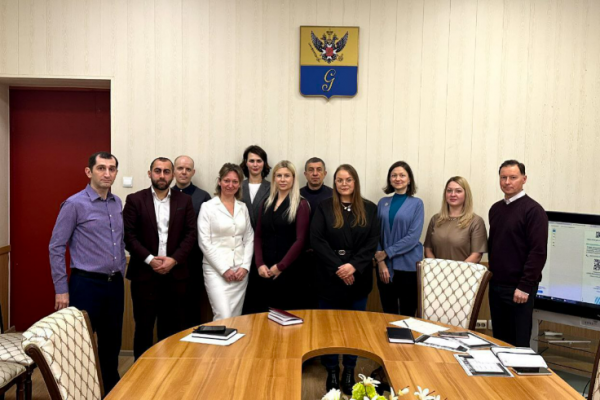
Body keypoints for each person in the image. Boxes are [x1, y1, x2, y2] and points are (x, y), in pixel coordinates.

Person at [49, 151, 125, 393]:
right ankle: (78, 393)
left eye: (112, 169)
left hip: (115, 285)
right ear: (89, 171)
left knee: (111, 344)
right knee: (79, 346)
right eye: (101, 168)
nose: (107, 173)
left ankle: (110, 392)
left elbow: (119, 242)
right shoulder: (74, 204)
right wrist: (61, 289)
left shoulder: (117, 203)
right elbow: (56, 247)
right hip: (86, 285)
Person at [311, 164, 380, 395]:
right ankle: (331, 369)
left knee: (354, 328)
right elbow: (317, 240)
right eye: (339, 180)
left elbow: (372, 242)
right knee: (329, 327)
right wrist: (339, 268)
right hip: (329, 276)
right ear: (335, 183)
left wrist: (353, 267)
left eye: (348, 179)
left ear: (355, 182)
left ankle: (349, 370)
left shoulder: (369, 208)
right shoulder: (324, 207)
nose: (344, 184)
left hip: (358, 276)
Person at [123, 157, 197, 360]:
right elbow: (128, 235)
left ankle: (170, 372)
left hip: (176, 275)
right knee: (144, 327)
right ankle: (141, 372)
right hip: (144, 275)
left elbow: (191, 234)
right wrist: (149, 259)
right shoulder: (135, 200)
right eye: (157, 171)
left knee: (172, 328)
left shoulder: (184, 201)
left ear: (172, 175)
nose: (162, 175)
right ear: (150, 174)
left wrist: (174, 260)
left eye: (166, 171)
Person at [488, 160, 548, 347]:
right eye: (503, 177)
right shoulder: (495, 209)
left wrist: (524, 286)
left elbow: (538, 252)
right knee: (499, 340)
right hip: (496, 286)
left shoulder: (534, 211)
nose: (507, 182)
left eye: (513, 177)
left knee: (518, 342)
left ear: (524, 179)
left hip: (519, 289)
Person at [198, 163, 254, 320]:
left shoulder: (242, 207)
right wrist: (224, 269)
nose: (230, 185)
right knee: (223, 315)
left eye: (235, 181)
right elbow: (204, 242)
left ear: (240, 184)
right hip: (216, 271)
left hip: (240, 272)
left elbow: (249, 237)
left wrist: (245, 267)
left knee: (235, 317)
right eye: (226, 180)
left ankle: (233, 339)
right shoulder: (208, 207)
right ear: (219, 181)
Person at [254, 161, 310, 311]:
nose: (283, 179)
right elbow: (258, 236)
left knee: (287, 315)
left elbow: (301, 240)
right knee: (265, 315)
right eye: (279, 176)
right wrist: (259, 264)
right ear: (274, 178)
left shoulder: (301, 204)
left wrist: (280, 267)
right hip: (265, 270)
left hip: (290, 270)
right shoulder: (266, 203)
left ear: (293, 178)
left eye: (287, 175)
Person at [375, 161, 424, 317]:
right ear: (390, 179)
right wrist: (381, 262)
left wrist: (387, 253)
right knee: (388, 313)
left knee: (407, 315)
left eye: (402, 175)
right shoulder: (382, 203)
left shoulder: (417, 204)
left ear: (409, 180)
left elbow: (413, 237)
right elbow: (375, 234)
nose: (398, 178)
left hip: (408, 267)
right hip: (384, 267)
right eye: (394, 175)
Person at [171, 155, 213, 326]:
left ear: (193, 172)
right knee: (171, 309)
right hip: (170, 262)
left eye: (188, 169)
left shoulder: (203, 197)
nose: (184, 172)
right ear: (174, 171)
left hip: (194, 262)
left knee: (193, 308)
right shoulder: (165, 194)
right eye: (180, 168)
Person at [424, 176, 487, 262]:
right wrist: (437, 268)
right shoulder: (435, 219)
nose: (453, 194)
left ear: (466, 194)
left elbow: (476, 255)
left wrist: (455, 270)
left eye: (458, 191)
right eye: (449, 190)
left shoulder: (476, 221)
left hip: (464, 270)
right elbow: (428, 249)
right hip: (436, 270)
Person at [240, 145, 271, 314]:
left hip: (264, 249)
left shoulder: (273, 187)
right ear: (246, 163)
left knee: (263, 296)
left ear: (264, 163)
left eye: (259, 161)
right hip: (240, 247)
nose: (255, 164)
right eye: (251, 160)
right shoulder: (237, 186)